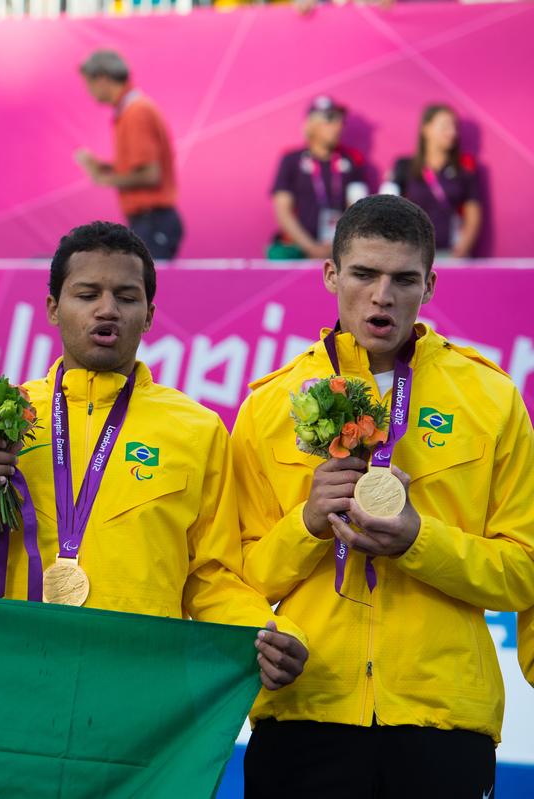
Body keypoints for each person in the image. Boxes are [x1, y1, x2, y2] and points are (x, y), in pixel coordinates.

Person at [233, 195, 534, 798]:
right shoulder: (269, 406)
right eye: (364, 274)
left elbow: (522, 573)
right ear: (331, 275)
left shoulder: (491, 398)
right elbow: (234, 577)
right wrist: (306, 526)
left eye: (403, 279)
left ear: (430, 283)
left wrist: (420, 541)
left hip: (442, 719)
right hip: (305, 708)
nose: (382, 295)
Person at [0, 221, 309, 692]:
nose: (107, 310)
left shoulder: (197, 430)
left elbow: (211, 577)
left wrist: (265, 631)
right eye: (87, 294)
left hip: (138, 695)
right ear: (53, 308)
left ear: (150, 314)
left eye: (127, 297)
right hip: (12, 681)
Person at [74, 51, 183, 260]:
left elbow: (151, 175)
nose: (89, 91)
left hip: (153, 220)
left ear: (103, 79)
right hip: (149, 221)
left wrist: (104, 178)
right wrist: (105, 168)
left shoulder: (136, 112)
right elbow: (140, 169)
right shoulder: (130, 110)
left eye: (89, 83)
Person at [267, 96, 368, 260]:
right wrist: (311, 247)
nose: (338, 126)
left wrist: (337, 245)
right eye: (329, 119)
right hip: (300, 247)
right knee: (277, 255)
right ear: (310, 125)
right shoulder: (291, 160)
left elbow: (359, 208)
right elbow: (283, 211)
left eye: (341, 120)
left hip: (341, 247)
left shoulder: (352, 160)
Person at [384, 104, 482, 258]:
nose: (452, 132)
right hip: (412, 255)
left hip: (451, 254)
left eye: (454, 126)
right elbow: (385, 207)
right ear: (426, 129)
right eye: (445, 126)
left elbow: (473, 213)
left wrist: (462, 249)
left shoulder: (465, 169)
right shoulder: (403, 165)